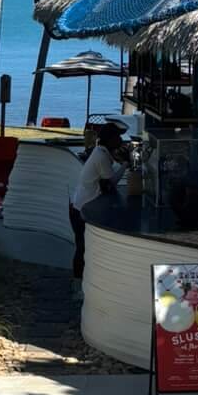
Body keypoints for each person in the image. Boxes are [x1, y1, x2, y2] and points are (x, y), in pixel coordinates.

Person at [70, 120, 124, 290]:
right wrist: (126, 165)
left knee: (83, 247)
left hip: (80, 205)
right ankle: (77, 284)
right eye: (117, 138)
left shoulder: (100, 152)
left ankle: (80, 283)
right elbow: (111, 182)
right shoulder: (101, 156)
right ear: (110, 139)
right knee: (82, 248)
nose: (120, 141)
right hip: (82, 209)